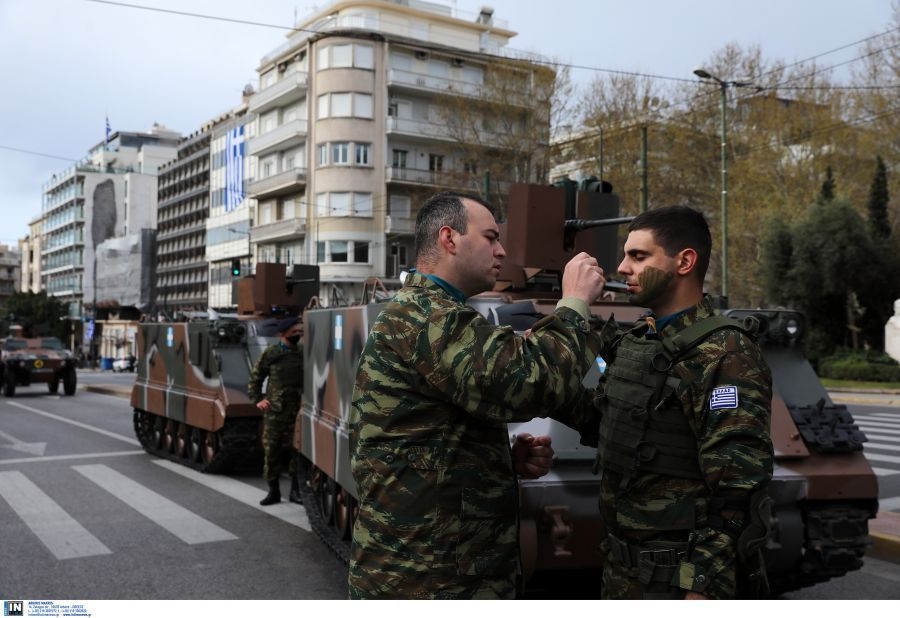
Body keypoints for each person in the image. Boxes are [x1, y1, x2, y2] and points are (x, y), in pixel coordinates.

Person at [348, 190, 607, 599]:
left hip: (434, 567)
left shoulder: (430, 313)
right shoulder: (428, 317)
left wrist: (494, 461)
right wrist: (574, 303)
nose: (502, 251)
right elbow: (531, 384)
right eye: (491, 237)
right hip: (429, 580)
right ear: (449, 239)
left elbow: (427, 434)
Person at [584, 205, 774, 600]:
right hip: (624, 571)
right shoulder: (635, 340)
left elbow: (738, 484)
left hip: (680, 578)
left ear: (685, 261)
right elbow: (601, 416)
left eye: (638, 256)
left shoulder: (725, 352)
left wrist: (701, 586)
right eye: (625, 255)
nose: (622, 268)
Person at [248, 315, 304, 506]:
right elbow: (256, 378)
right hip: (276, 412)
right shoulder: (272, 353)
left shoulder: (302, 352)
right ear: (283, 333)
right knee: (272, 452)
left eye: (300, 331)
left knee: (297, 453)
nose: (298, 334)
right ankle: (273, 492)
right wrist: (258, 400)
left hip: (297, 411)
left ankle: (295, 491)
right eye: (294, 331)